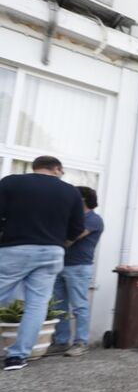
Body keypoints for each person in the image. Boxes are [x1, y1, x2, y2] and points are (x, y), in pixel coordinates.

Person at [0, 156, 85, 371]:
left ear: (35, 167)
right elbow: (77, 228)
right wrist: (61, 243)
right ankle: (17, 357)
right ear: (57, 169)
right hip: (52, 252)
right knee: (37, 304)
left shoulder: (11, 182)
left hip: (15, 248)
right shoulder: (71, 191)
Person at [46, 186, 104, 358]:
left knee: (79, 306)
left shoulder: (93, 219)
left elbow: (70, 239)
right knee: (59, 306)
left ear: (83, 199)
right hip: (60, 265)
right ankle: (61, 342)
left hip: (78, 267)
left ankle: (81, 342)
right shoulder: (72, 218)